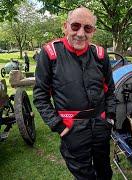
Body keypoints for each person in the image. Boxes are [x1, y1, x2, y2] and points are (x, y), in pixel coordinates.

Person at [33, 7, 116, 180]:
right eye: (75, 26)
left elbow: (110, 90)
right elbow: (40, 96)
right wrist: (58, 126)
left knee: (105, 172)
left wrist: (110, 118)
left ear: (93, 31)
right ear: (65, 26)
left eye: (87, 28)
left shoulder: (100, 54)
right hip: (72, 128)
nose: (80, 33)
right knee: (84, 175)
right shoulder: (50, 53)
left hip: (100, 126)